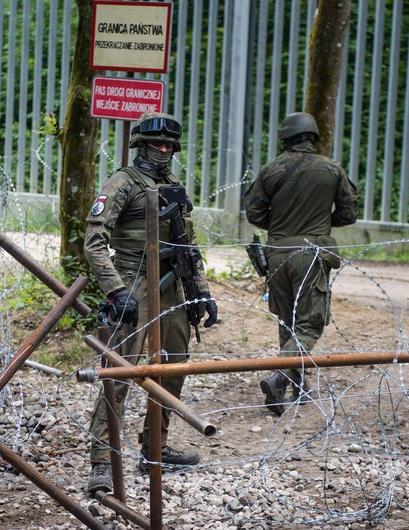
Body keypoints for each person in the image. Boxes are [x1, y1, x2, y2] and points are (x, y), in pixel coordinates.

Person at [83, 111, 219, 494]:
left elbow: (188, 245)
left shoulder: (174, 184)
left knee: (174, 367)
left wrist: (202, 291)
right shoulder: (123, 183)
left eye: (169, 145)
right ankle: (101, 461)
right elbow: (94, 242)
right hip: (134, 282)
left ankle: (154, 449)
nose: (163, 150)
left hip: (173, 285)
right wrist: (116, 289)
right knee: (120, 372)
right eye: (156, 144)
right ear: (140, 145)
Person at [244, 112, 359, 416]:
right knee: (310, 322)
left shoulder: (271, 170)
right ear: (313, 137)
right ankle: (280, 374)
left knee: (288, 319)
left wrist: (281, 223)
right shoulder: (331, 169)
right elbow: (349, 213)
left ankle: (295, 386)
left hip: (277, 253)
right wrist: (321, 222)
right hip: (311, 253)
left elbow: (254, 213)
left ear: (285, 138)